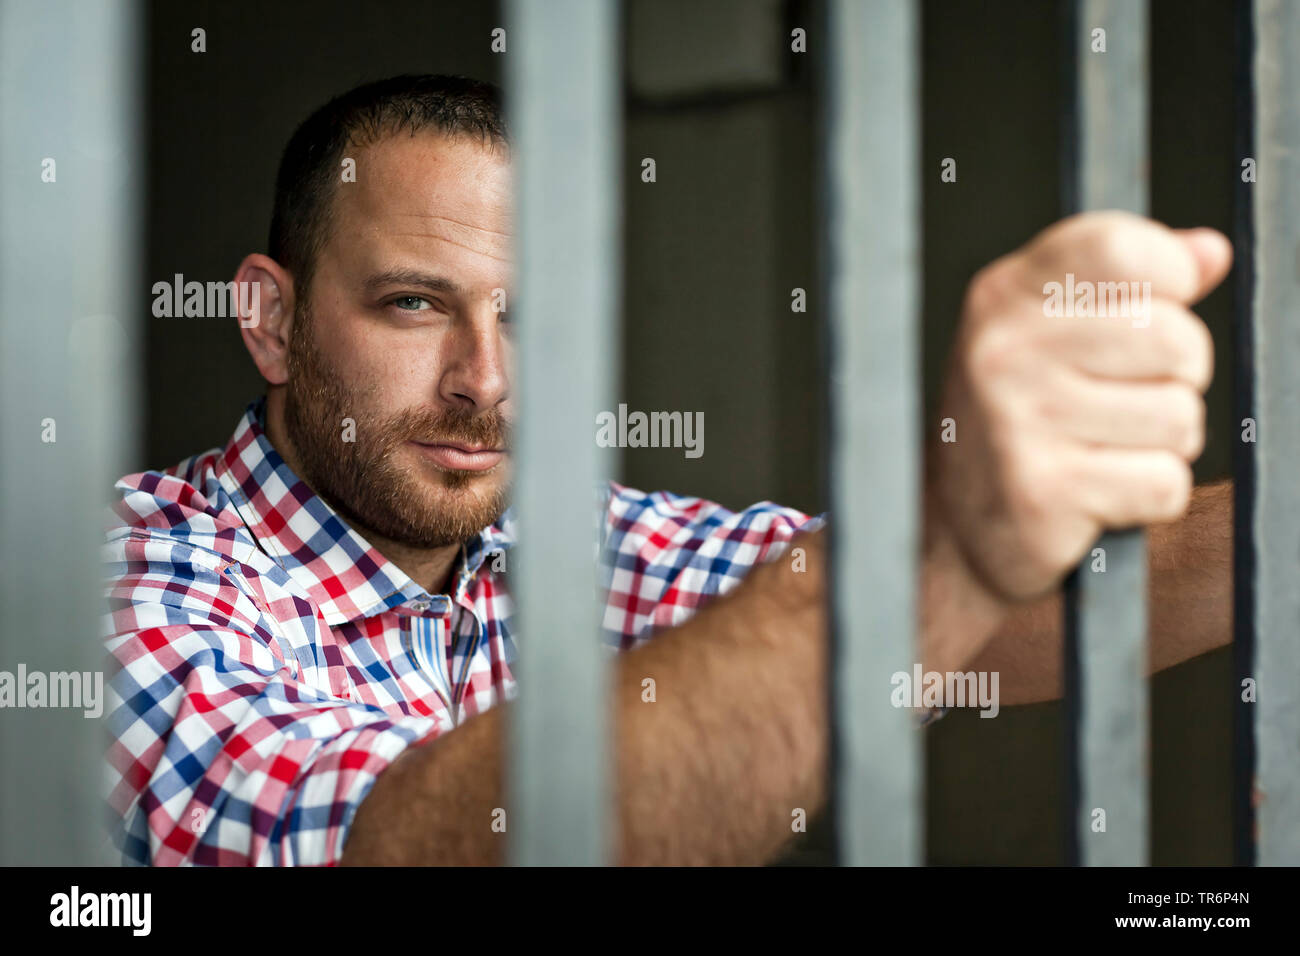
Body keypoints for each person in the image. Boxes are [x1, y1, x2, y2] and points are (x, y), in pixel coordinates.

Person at [101, 74, 1234, 866]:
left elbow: (960, 613)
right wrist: (948, 539)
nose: (485, 380)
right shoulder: (131, 575)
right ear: (270, 318)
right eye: (413, 302)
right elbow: (386, 847)